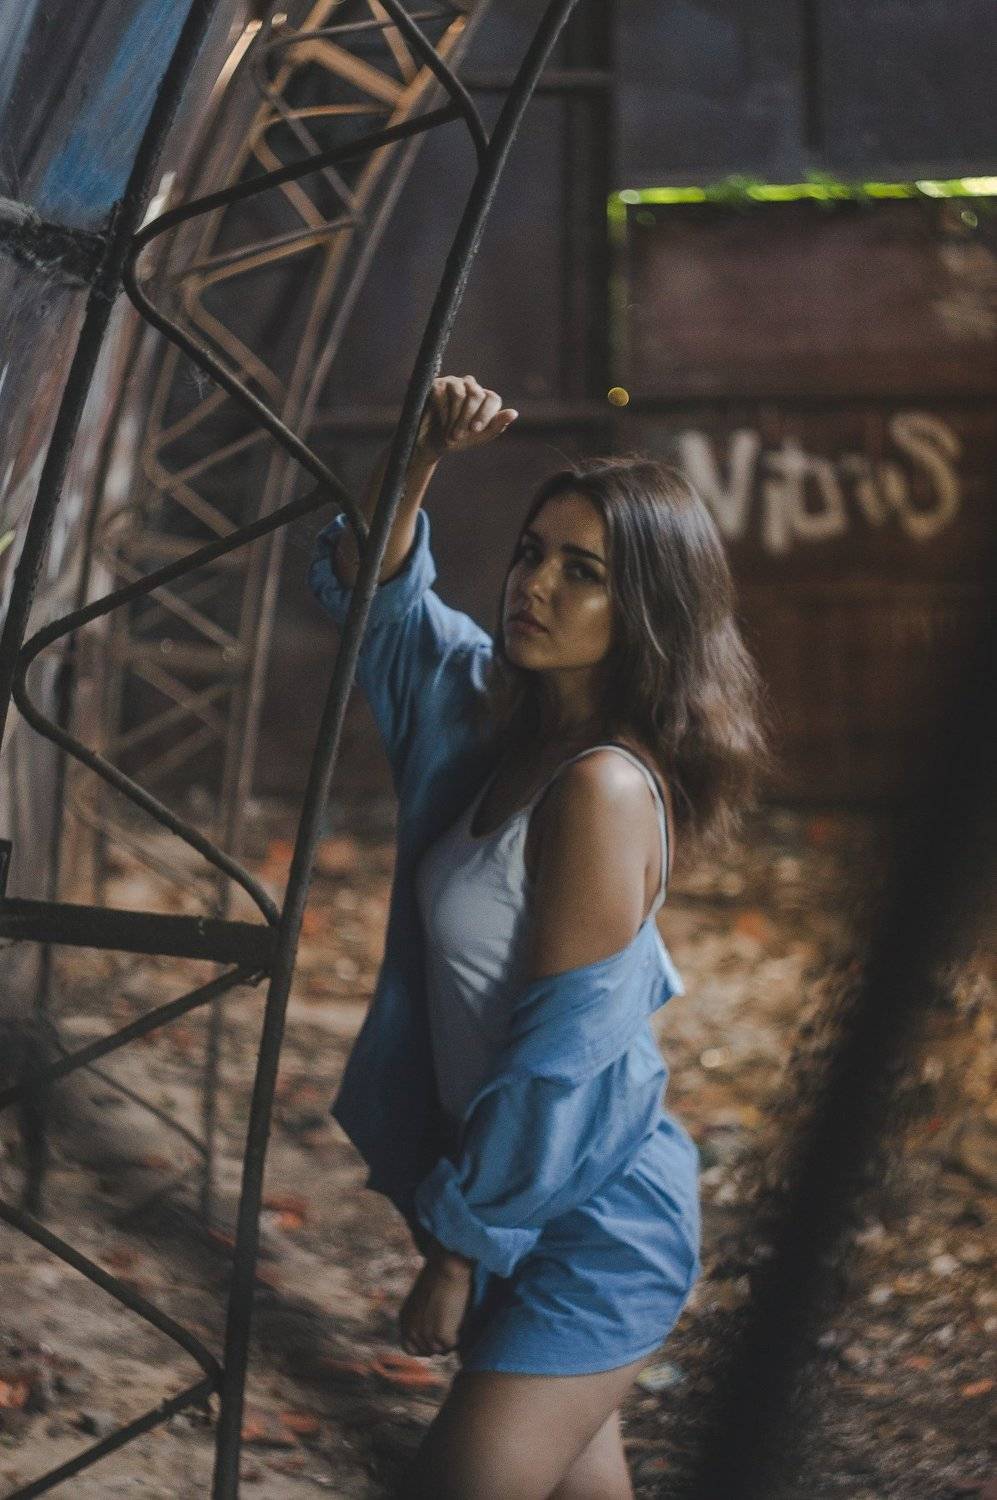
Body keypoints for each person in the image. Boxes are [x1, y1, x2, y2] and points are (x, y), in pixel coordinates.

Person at [308, 375, 769, 1500]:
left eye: (583, 572)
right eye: (530, 553)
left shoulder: (601, 791)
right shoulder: (484, 718)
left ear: (645, 612)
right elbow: (375, 602)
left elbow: (558, 1059)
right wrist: (421, 451)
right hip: (516, 1191)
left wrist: (459, 1249)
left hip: (589, 1219)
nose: (536, 585)